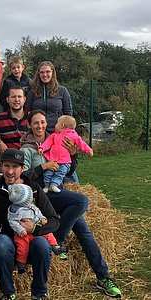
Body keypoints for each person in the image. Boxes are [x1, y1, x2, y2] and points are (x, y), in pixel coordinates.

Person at [20, 110, 122, 298]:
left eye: (43, 122)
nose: (40, 126)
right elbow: (22, 178)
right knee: (82, 201)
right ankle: (58, 239)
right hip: (42, 195)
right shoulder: (26, 149)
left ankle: (103, 276)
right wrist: (43, 166)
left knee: (83, 229)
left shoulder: (57, 138)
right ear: (29, 125)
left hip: (58, 190)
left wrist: (73, 154)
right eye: (36, 123)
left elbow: (69, 169)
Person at [0, 149, 60, 300]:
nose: (10, 171)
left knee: (42, 244)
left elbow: (54, 220)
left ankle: (39, 293)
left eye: (15, 167)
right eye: (6, 166)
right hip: (7, 238)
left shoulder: (33, 189)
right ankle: (8, 293)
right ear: (1, 166)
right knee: (1, 243)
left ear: (22, 169)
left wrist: (35, 228)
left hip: (31, 239)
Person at [7, 183, 66, 274]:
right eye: (29, 197)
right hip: (23, 233)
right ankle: (21, 264)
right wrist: (20, 229)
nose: (31, 199)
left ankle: (55, 247)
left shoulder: (32, 206)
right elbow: (13, 222)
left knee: (49, 234)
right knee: (22, 247)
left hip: (36, 228)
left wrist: (42, 218)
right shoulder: (15, 210)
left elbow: (38, 213)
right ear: (23, 201)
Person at [38, 115, 93, 193]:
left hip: (65, 161)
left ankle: (54, 185)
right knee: (48, 172)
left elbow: (81, 143)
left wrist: (88, 150)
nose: (55, 125)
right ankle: (46, 186)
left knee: (60, 173)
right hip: (53, 160)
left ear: (62, 125)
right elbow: (47, 142)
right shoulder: (54, 135)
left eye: (57, 123)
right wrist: (42, 148)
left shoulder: (73, 135)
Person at [25, 61, 73, 132]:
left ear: (52, 72)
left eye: (48, 72)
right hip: (37, 132)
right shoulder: (32, 92)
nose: (45, 75)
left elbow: (68, 114)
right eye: (42, 72)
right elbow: (26, 111)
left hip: (56, 132)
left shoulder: (62, 91)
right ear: (38, 74)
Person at [0, 85, 29, 153]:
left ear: (24, 99)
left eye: (19, 96)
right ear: (7, 100)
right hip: (8, 159)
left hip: (29, 158)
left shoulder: (32, 117)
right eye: (13, 97)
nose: (16, 99)